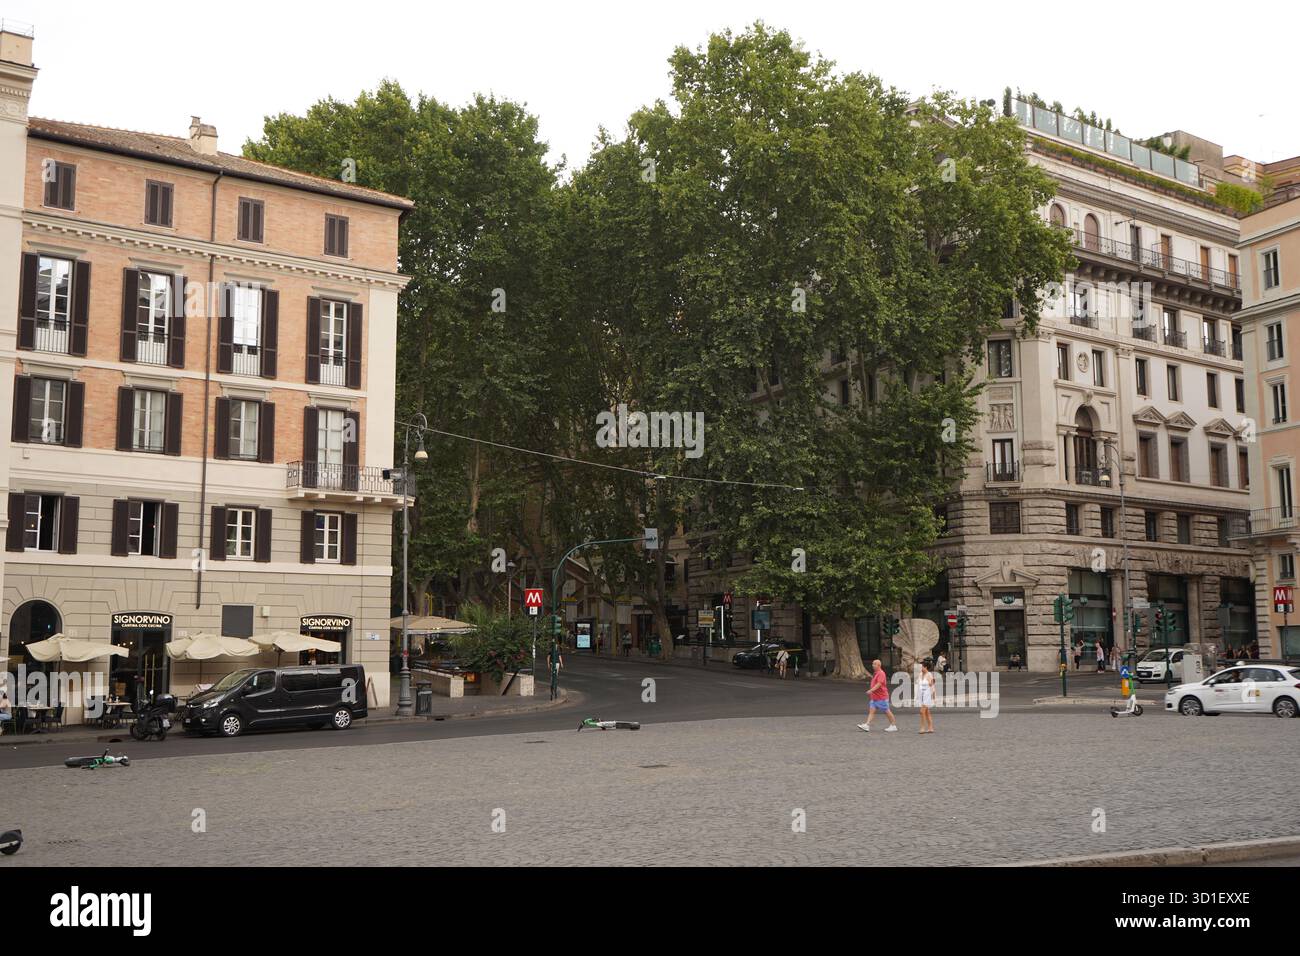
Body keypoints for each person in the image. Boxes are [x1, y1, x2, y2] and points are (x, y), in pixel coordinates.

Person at [858, 658, 897, 733]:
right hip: (875, 698)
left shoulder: (881, 673)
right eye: (873, 664)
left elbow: (879, 684)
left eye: (874, 664)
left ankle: (893, 725)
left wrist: (871, 690)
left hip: (881, 697)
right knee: (871, 712)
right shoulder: (876, 673)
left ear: (879, 665)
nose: (873, 665)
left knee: (887, 711)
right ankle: (867, 725)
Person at [916, 659, 936, 734]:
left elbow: (932, 686)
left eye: (922, 667)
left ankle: (922, 728)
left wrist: (933, 697)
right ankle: (931, 728)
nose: (921, 668)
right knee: (927, 712)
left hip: (927, 695)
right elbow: (919, 685)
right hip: (921, 695)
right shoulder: (920, 674)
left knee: (922, 711)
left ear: (926, 667)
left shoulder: (929, 675)